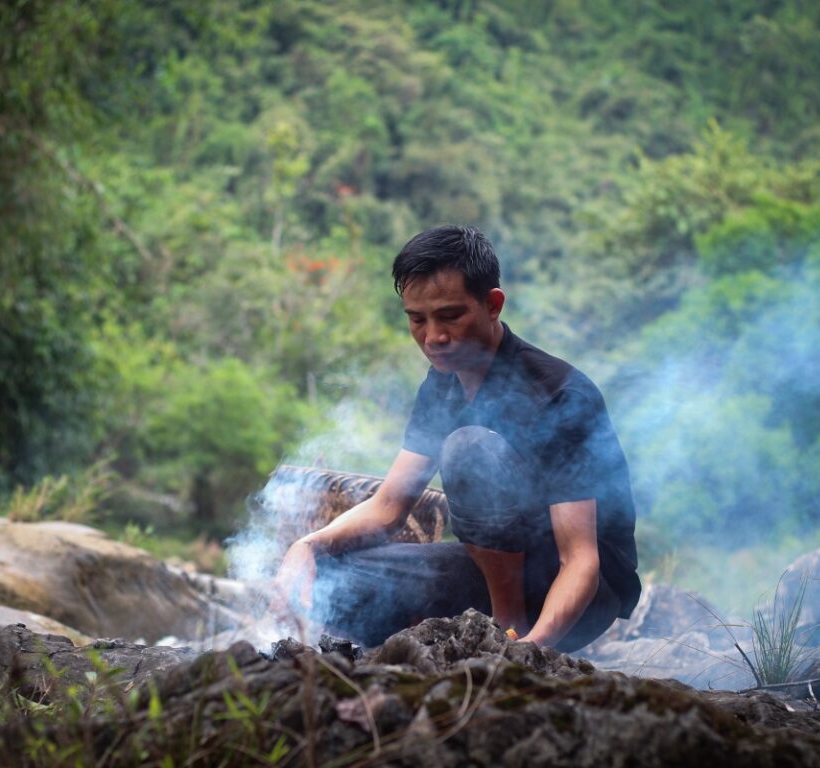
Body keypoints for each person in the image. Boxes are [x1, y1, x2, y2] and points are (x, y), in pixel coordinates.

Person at [273, 225, 640, 652]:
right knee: (336, 577)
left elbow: (581, 560)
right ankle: (424, 653)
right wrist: (306, 547)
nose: (433, 338)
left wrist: (532, 651)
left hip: (579, 589)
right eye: (417, 320)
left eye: (450, 316)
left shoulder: (556, 394)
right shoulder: (442, 384)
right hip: (492, 573)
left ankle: (508, 636)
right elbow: (389, 507)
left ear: (492, 304)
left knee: (470, 449)